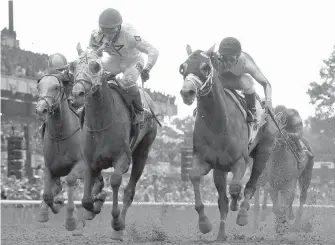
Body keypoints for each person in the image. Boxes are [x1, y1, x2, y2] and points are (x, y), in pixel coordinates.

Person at [88, 8, 159, 126]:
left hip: (133, 61)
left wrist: (147, 68)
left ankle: (140, 111)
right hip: (115, 60)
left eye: (112, 31)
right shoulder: (96, 35)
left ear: (119, 27)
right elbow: (90, 53)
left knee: (128, 82)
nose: (109, 35)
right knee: (91, 70)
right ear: (101, 28)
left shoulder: (130, 35)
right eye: (105, 31)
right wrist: (96, 54)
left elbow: (153, 50)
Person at [217, 37, 272, 122]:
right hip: (220, 80)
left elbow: (266, 83)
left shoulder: (247, 63)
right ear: (220, 55)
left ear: (238, 56)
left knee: (246, 81)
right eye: (224, 58)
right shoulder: (215, 58)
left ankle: (251, 110)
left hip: (236, 82)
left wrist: (268, 100)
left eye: (231, 59)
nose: (227, 63)